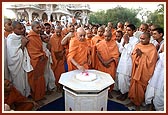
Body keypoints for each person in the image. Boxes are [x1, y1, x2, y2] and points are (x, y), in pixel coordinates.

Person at [127, 32, 158, 110]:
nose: (141, 40)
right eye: (140, 38)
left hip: (144, 72)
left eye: (143, 39)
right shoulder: (138, 45)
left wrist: (142, 55)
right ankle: (132, 100)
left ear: (148, 39)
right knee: (133, 85)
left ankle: (138, 103)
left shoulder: (152, 48)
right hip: (136, 69)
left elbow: (151, 62)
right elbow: (133, 55)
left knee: (140, 88)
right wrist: (136, 56)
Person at [6, 21, 31, 97]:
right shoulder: (11, 39)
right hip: (16, 66)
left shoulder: (21, 37)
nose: (22, 30)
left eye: (22, 28)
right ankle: (20, 98)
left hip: (23, 63)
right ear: (13, 29)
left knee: (25, 81)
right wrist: (23, 45)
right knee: (19, 83)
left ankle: (26, 95)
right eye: (19, 29)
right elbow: (13, 56)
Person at [116, 24, 139, 101]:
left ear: (133, 31)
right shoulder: (124, 38)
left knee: (125, 79)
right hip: (122, 61)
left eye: (129, 30)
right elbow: (120, 50)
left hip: (128, 62)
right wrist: (123, 43)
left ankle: (125, 94)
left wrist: (127, 42)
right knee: (120, 78)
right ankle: (122, 92)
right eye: (126, 30)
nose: (127, 32)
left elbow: (132, 52)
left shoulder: (136, 40)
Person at [26, 21, 47, 103]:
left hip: (40, 60)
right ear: (32, 28)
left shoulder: (38, 36)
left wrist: (42, 54)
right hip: (35, 61)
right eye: (37, 27)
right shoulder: (30, 37)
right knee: (36, 80)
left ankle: (41, 95)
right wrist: (41, 55)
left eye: (40, 27)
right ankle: (36, 98)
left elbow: (40, 48)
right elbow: (32, 52)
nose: (39, 29)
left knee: (41, 78)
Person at [95, 31, 120, 98]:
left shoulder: (114, 44)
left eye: (108, 36)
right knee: (101, 78)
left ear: (111, 36)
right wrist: (103, 62)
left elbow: (115, 55)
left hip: (110, 64)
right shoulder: (101, 43)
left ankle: (109, 92)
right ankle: (101, 91)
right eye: (105, 36)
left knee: (110, 78)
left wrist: (107, 62)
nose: (107, 38)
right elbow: (98, 53)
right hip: (101, 64)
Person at [145, 44, 164, 111]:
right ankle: (150, 107)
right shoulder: (162, 45)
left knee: (159, 96)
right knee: (150, 92)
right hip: (156, 75)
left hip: (162, 78)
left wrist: (161, 53)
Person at [49, 26, 65, 92]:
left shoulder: (63, 37)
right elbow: (51, 49)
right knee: (56, 74)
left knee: (62, 72)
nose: (58, 34)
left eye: (59, 32)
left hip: (62, 58)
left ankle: (61, 85)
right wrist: (56, 57)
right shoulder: (52, 38)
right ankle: (57, 86)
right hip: (55, 58)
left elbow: (65, 47)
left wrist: (63, 53)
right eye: (57, 32)